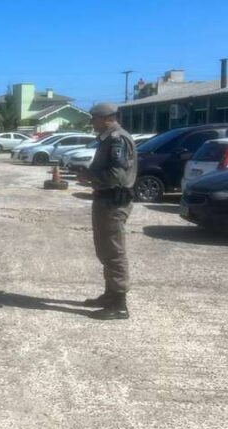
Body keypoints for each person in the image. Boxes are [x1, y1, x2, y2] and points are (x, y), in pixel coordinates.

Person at [80, 103, 137, 320]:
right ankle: (110, 294)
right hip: (105, 201)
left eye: (93, 118)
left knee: (114, 252)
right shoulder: (108, 138)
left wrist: (90, 178)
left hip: (113, 202)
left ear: (107, 118)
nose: (91, 122)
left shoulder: (117, 139)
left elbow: (116, 176)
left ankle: (120, 304)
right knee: (104, 250)